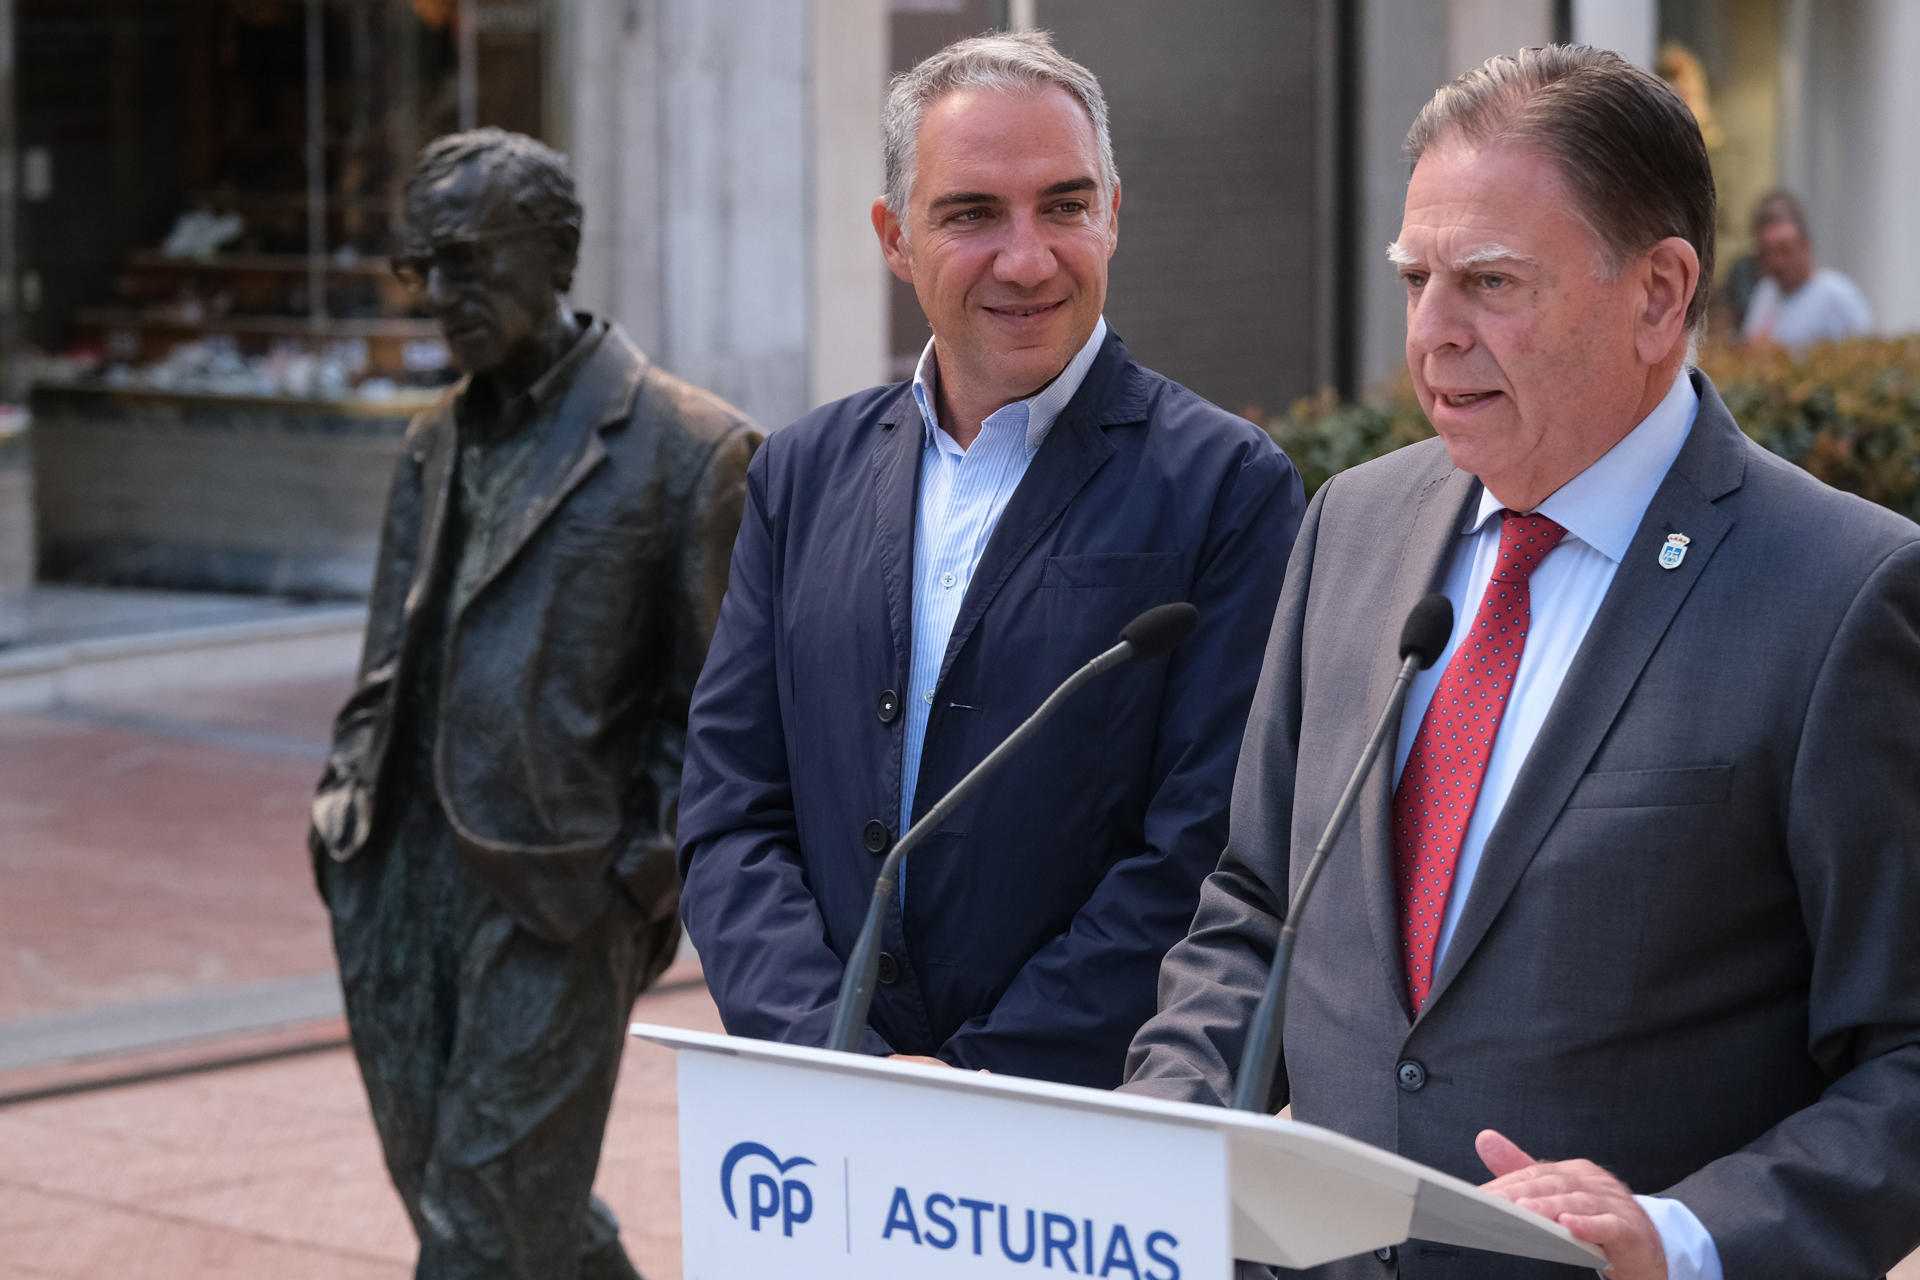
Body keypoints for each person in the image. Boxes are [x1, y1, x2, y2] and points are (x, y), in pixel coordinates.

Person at [1125, 45, 1920, 1280]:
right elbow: (1258, 909)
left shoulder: (1842, 592)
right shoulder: (1351, 526)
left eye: (1490, 281)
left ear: (1660, 293)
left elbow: (1906, 1052)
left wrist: (1684, 1233)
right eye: (1415, 279)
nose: (1433, 336)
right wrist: (1169, 1124)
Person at [675, 31, 1304, 1089]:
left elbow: (1206, 848)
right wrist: (834, 1055)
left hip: (1085, 1119)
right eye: (972, 213)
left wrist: (972, 1084)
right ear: (893, 236)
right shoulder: (799, 472)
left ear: (1114, 212)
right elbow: (731, 809)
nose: (1028, 257)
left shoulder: (1228, 485)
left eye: (1064, 205)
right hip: (832, 1116)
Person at [308, 128, 759, 1280]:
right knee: (506, 1212)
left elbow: (714, 704)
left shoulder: (688, 449)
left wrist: (639, 874)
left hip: (560, 893)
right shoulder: (431, 440)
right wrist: (344, 813)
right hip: (399, 880)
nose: (436, 296)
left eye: (463, 261)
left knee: (476, 1227)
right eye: (422, 269)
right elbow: (382, 663)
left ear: (556, 251)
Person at [1740, 189, 1871, 350]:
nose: (1776, 262)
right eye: (1766, 253)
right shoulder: (1766, 291)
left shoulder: (1837, 296)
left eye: (1784, 250)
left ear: (1805, 244)